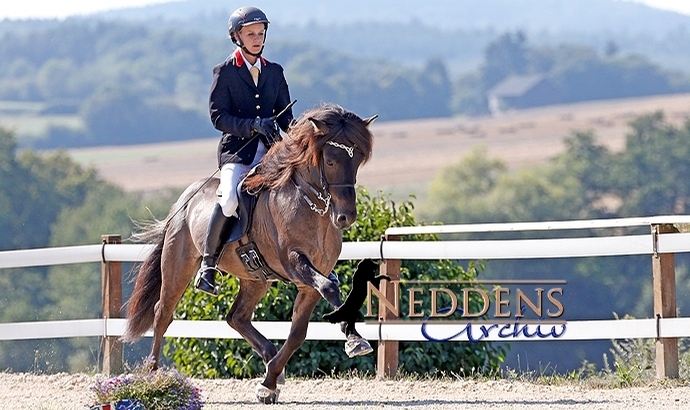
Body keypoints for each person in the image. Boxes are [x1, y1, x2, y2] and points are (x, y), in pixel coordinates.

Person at [195, 5, 294, 296]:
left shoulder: (274, 72)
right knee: (228, 201)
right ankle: (208, 265)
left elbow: (287, 117)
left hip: (272, 150)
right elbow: (218, 117)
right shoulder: (225, 73)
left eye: (260, 33)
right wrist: (252, 125)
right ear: (237, 37)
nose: (257, 38)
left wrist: (303, 134)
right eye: (250, 34)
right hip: (237, 152)